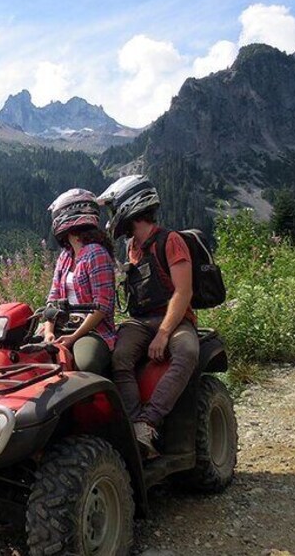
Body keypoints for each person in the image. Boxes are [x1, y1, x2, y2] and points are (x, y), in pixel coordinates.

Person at [97, 175, 199, 459]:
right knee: (119, 357)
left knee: (187, 351)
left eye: (114, 209)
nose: (112, 217)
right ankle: (132, 422)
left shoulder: (171, 241)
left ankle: (148, 423)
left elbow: (183, 292)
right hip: (141, 320)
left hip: (175, 319)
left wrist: (164, 333)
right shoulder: (132, 247)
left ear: (131, 206)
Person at [43, 189, 116, 376]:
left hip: (93, 331)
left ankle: (97, 401)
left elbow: (103, 305)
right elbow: (53, 298)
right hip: (62, 326)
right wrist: (48, 332)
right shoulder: (65, 256)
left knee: (86, 363)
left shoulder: (96, 253)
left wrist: (74, 337)